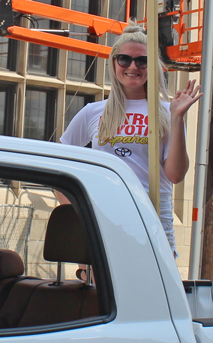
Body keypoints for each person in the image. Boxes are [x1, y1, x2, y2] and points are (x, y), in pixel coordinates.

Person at [61, 24, 201, 256]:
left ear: (152, 66)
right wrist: (75, 210)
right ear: (114, 63)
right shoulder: (93, 112)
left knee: (151, 290)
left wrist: (177, 118)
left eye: (142, 61)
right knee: (101, 289)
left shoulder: (168, 111)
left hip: (152, 215)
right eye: (124, 59)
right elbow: (61, 162)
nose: (133, 67)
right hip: (104, 215)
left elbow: (175, 175)